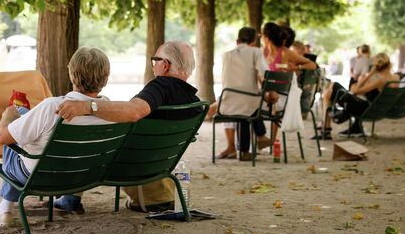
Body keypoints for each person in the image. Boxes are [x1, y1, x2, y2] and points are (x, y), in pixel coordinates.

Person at [56, 41, 200, 213]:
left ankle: (71, 197)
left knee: (93, 135)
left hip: (133, 172)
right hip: (160, 174)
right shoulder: (194, 103)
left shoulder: (160, 87)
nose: (153, 66)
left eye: (155, 60)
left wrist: (88, 106)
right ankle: (71, 197)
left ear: (165, 65)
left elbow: (134, 111)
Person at [0, 47, 112, 227]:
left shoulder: (52, 106)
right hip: (83, 176)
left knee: (14, 136)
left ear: (71, 75)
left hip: (40, 176)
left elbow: (2, 137)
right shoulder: (110, 109)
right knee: (27, 119)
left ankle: (5, 210)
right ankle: (71, 199)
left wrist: (6, 117)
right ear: (106, 77)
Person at [209, 27, 269, 160]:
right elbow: (265, 73)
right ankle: (259, 137)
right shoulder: (256, 51)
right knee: (251, 105)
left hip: (227, 102)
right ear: (254, 41)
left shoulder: (226, 55)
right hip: (249, 102)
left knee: (243, 110)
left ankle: (245, 149)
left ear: (237, 40)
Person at [321, 53, 400, 138]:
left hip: (367, 110)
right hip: (377, 109)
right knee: (329, 92)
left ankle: (326, 127)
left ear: (376, 66)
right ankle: (329, 125)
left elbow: (356, 90)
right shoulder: (395, 77)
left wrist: (370, 74)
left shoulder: (380, 80)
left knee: (333, 86)